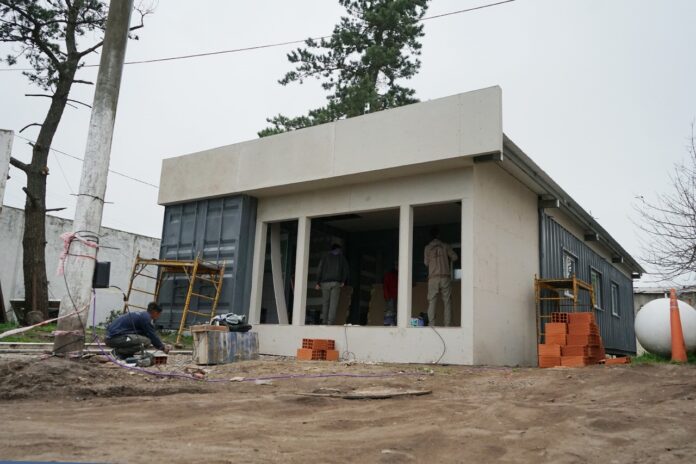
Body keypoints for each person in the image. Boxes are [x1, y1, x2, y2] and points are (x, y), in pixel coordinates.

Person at [105, 302, 171, 358]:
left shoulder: (142, 315)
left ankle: (125, 355)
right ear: (155, 312)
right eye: (159, 314)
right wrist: (163, 348)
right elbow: (152, 335)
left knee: (141, 339)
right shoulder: (145, 318)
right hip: (114, 339)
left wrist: (161, 344)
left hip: (112, 337)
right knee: (146, 341)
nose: (159, 316)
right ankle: (117, 353)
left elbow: (146, 334)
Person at [424, 227, 458, 326]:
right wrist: (445, 259)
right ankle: (447, 325)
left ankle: (431, 325)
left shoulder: (427, 248)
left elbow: (426, 263)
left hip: (433, 278)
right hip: (444, 277)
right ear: (438, 235)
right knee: (447, 302)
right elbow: (455, 257)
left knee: (432, 301)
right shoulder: (445, 246)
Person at [315, 243, 350, 325]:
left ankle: (324, 321)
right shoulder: (342, 258)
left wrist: (318, 282)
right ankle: (330, 322)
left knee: (325, 302)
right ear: (338, 249)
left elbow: (319, 269)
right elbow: (346, 270)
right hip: (335, 283)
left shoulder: (324, 257)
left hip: (324, 283)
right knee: (333, 303)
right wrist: (343, 281)